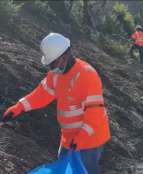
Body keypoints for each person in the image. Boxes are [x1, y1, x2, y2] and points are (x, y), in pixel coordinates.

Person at [2, 33, 111, 174]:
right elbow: (42, 94)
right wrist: (19, 107)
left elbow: (94, 115)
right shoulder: (56, 75)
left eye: (52, 64)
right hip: (69, 139)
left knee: (84, 170)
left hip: (90, 140)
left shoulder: (86, 75)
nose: (50, 68)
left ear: (63, 58)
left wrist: (81, 138)